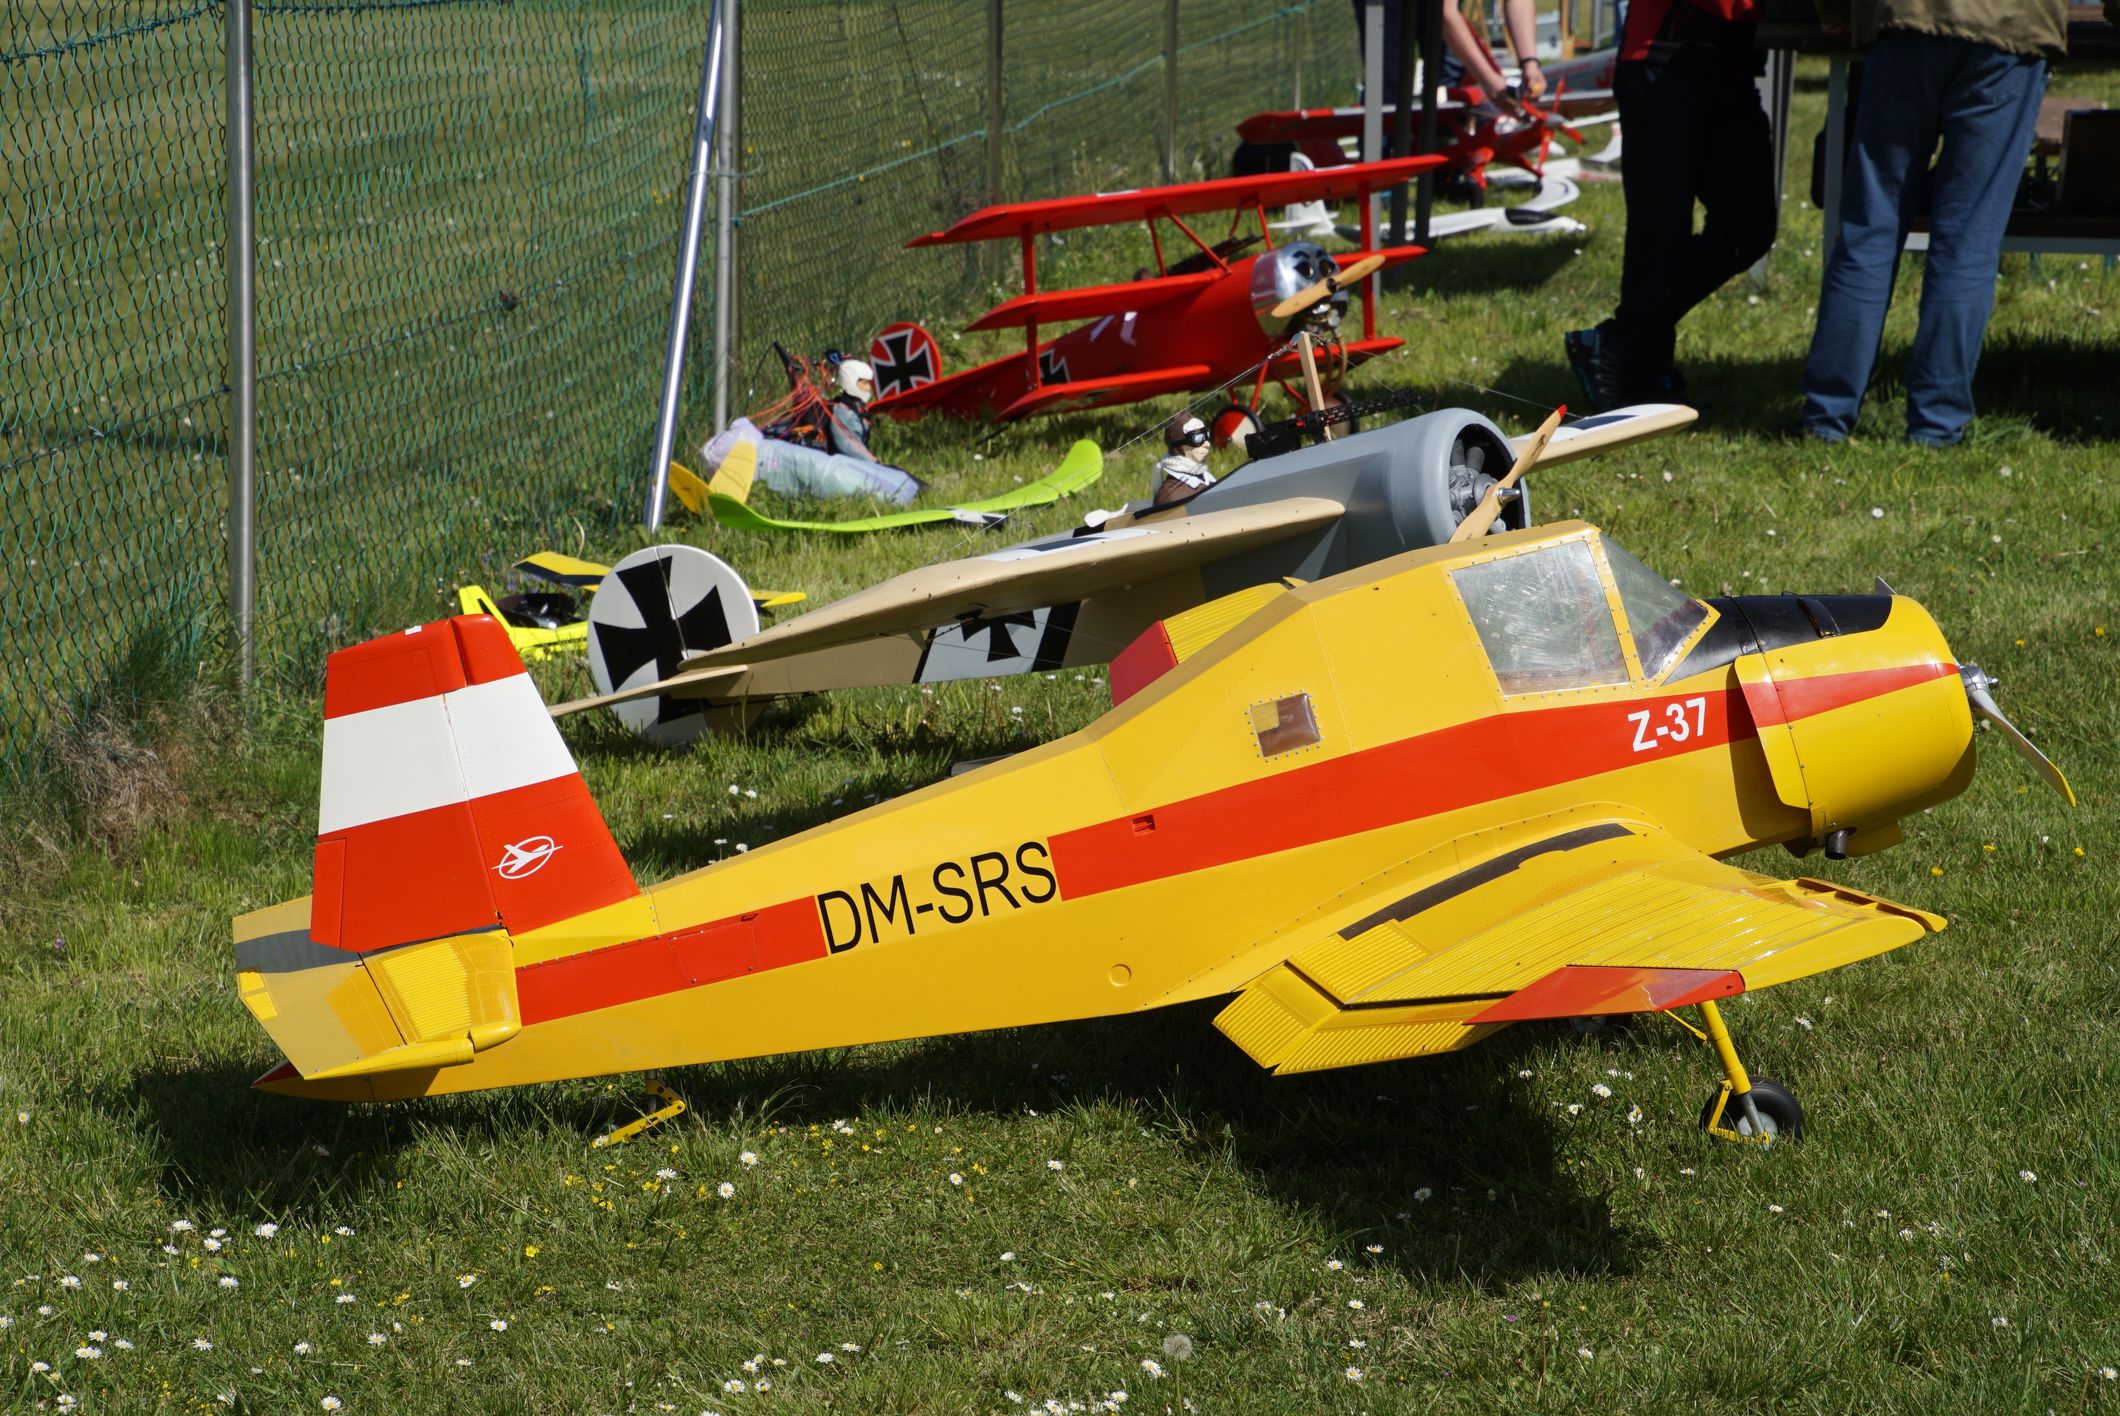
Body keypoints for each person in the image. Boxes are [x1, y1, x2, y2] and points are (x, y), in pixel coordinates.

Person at [1799, 0, 2065, 446]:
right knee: (1967, 241)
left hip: (1905, 20)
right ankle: (1936, 424)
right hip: (2011, 28)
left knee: (1871, 226)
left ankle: (1825, 417)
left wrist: (1834, 9)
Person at [1565, 0, 1777, 411]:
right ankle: (1641, 374)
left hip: (1729, 64)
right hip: (1665, 62)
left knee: (1749, 226)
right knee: (1660, 232)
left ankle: (1619, 345)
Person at [1150, 415, 1215, 506]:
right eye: (1198, 438)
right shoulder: (1170, 496)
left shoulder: (1206, 478)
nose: (1207, 444)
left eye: (1207, 435)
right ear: (1179, 446)